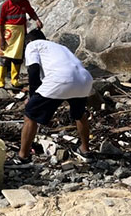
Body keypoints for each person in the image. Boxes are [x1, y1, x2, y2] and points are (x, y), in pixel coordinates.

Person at [18, 30, 94, 163]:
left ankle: (22, 157)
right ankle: (85, 150)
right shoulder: (60, 47)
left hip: (61, 79)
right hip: (84, 79)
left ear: (28, 41)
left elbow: (33, 69)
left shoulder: (32, 45)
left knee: (30, 115)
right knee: (80, 114)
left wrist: (32, 96)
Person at [0, 0, 43, 88]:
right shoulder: (4, 6)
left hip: (21, 33)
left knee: (18, 57)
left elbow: (31, 12)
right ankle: (1, 80)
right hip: (8, 34)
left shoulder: (24, 3)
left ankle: (14, 80)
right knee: (4, 57)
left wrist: (37, 20)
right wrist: (1, 39)